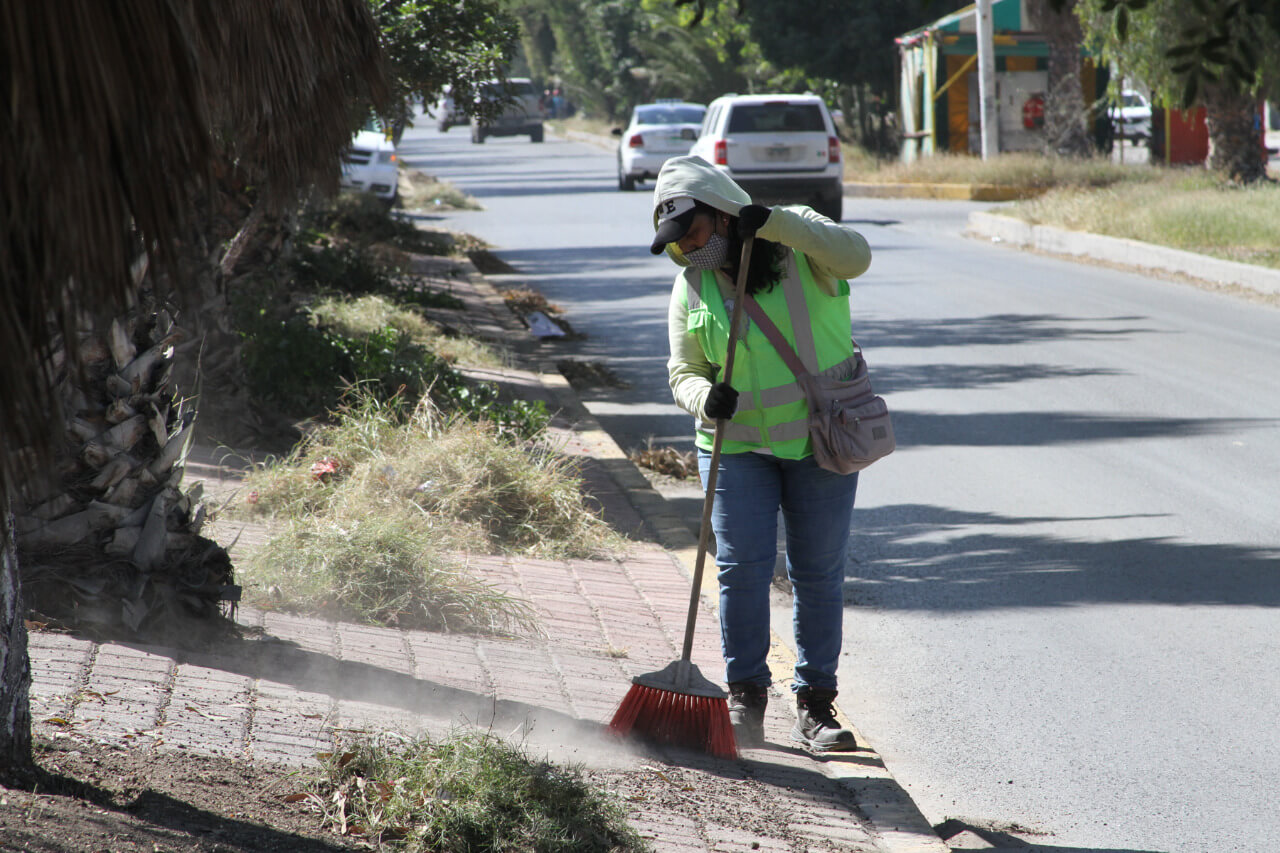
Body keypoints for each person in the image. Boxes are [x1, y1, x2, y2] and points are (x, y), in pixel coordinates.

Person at [648, 155, 872, 751]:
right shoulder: (691, 283)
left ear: (723, 214)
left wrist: (772, 224)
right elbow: (681, 371)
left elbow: (858, 256)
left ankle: (816, 706)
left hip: (819, 438)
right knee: (741, 569)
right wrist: (704, 397)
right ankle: (745, 695)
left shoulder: (800, 241)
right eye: (677, 241)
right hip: (736, 445)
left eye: (694, 234)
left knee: (817, 572)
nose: (689, 250)